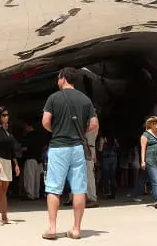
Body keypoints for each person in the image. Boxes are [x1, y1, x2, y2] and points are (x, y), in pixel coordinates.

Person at [41, 67, 98, 240]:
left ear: (63, 79)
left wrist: (56, 130)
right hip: (77, 147)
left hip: (59, 146)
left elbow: (45, 121)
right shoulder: (85, 99)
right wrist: (81, 130)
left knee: (53, 188)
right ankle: (76, 229)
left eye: (58, 77)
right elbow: (94, 123)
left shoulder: (53, 98)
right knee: (79, 188)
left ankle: (52, 228)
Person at [0, 107, 19, 224]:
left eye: (7, 115)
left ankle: (4, 215)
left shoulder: (8, 130)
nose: (6, 117)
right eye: (3, 115)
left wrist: (15, 164)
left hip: (7, 161)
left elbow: (12, 149)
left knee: (4, 190)